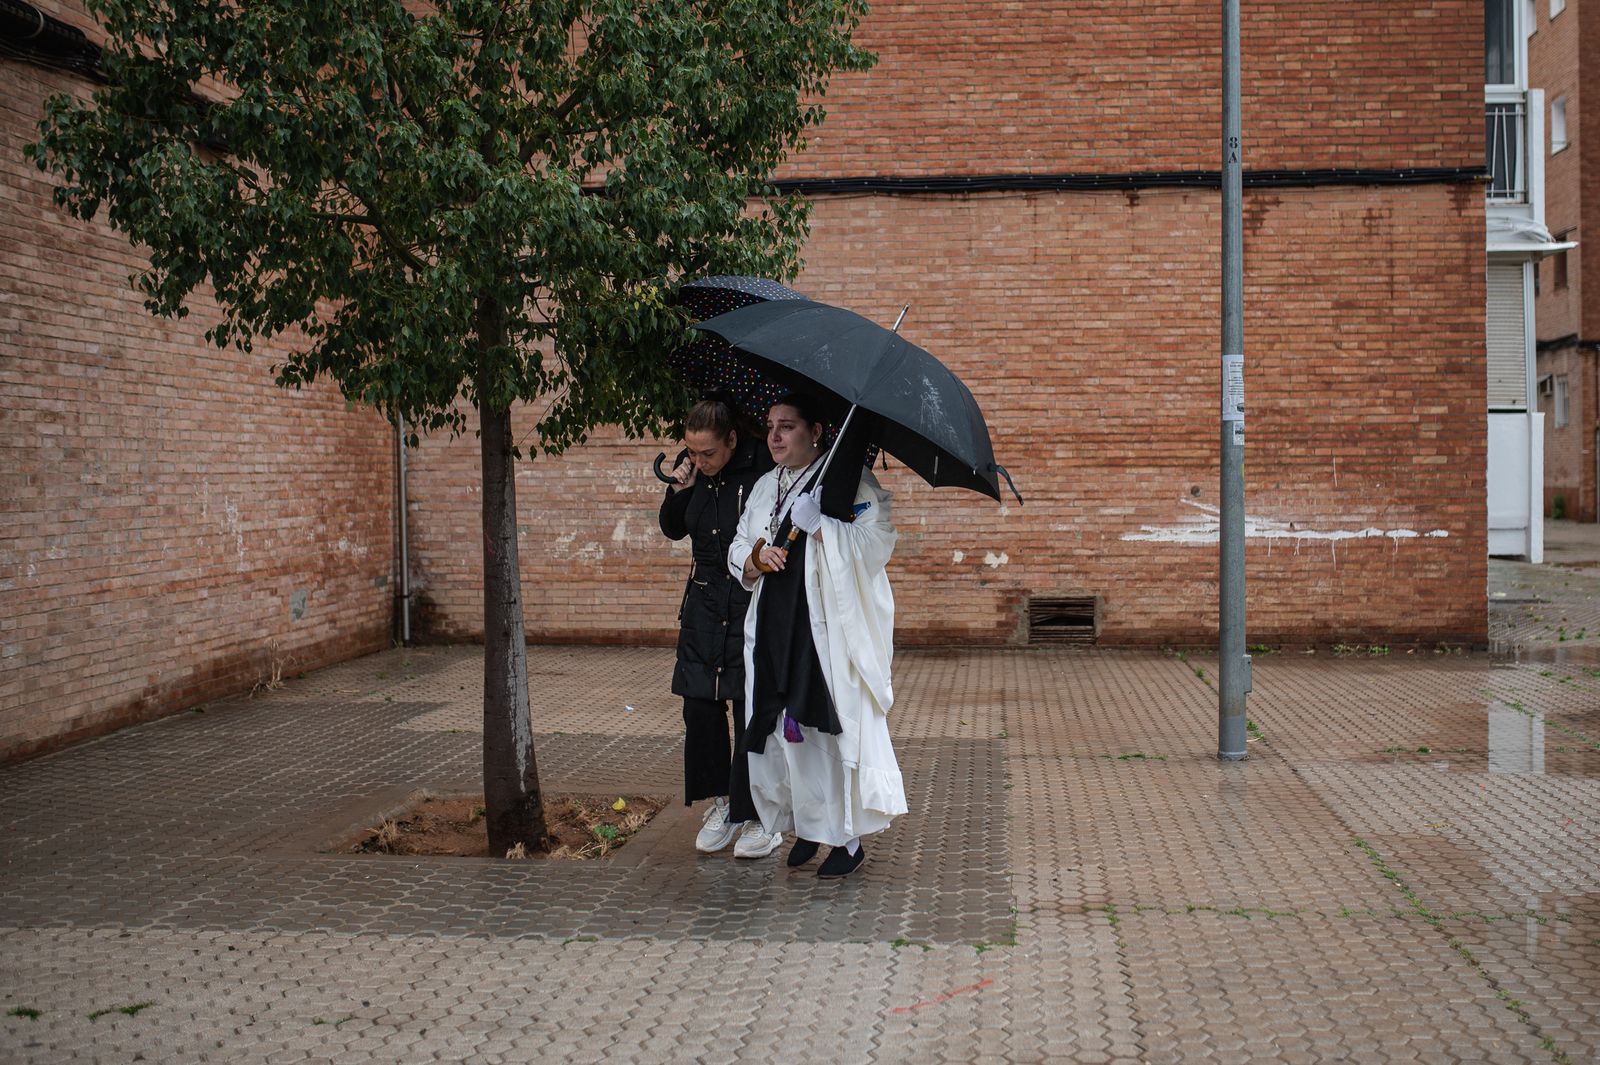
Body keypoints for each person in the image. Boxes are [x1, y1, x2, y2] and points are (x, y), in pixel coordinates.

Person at [727, 394, 907, 879]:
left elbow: (877, 543)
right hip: (773, 627)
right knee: (785, 733)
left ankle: (847, 839)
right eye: (770, 426)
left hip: (824, 632)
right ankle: (810, 826)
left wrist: (823, 526)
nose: (774, 436)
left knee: (828, 730)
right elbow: (740, 543)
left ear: (817, 431)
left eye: (787, 426)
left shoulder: (851, 480)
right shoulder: (766, 485)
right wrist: (756, 558)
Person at [658, 396, 780, 858]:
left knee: (749, 708)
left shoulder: (762, 475)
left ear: (732, 439)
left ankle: (758, 813)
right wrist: (681, 485)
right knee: (700, 708)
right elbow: (673, 528)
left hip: (748, 601)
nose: (699, 460)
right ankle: (723, 803)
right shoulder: (695, 476)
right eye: (691, 451)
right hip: (704, 606)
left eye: (707, 453)